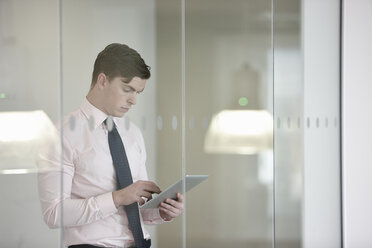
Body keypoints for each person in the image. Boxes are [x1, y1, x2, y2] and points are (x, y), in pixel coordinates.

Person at [37, 43, 184, 248]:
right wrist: (116, 198)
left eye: (137, 93)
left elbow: (135, 204)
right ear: (102, 80)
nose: (133, 100)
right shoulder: (61, 134)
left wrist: (161, 211)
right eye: (127, 89)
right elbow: (54, 214)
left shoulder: (132, 133)